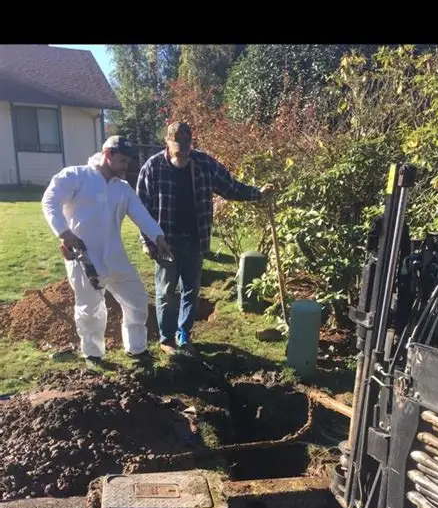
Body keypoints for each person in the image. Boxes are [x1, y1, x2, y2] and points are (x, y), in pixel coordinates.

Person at [136, 122, 274, 355]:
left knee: (191, 289)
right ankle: (167, 338)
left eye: (187, 147)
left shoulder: (204, 164)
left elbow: (230, 188)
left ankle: (184, 335)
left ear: (192, 143)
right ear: (167, 144)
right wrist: (147, 242)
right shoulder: (152, 168)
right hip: (165, 242)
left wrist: (258, 194)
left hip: (195, 240)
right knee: (167, 292)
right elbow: (141, 209)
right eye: (178, 148)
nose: (183, 152)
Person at [42, 136, 173, 368]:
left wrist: (158, 236)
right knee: (90, 308)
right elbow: (50, 200)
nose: (126, 167)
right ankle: (93, 356)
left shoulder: (122, 189)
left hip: (115, 255)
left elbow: (140, 213)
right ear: (107, 154)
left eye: (128, 162)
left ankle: (137, 350)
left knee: (137, 300)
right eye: (122, 161)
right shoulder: (76, 176)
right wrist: (64, 233)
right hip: (84, 257)